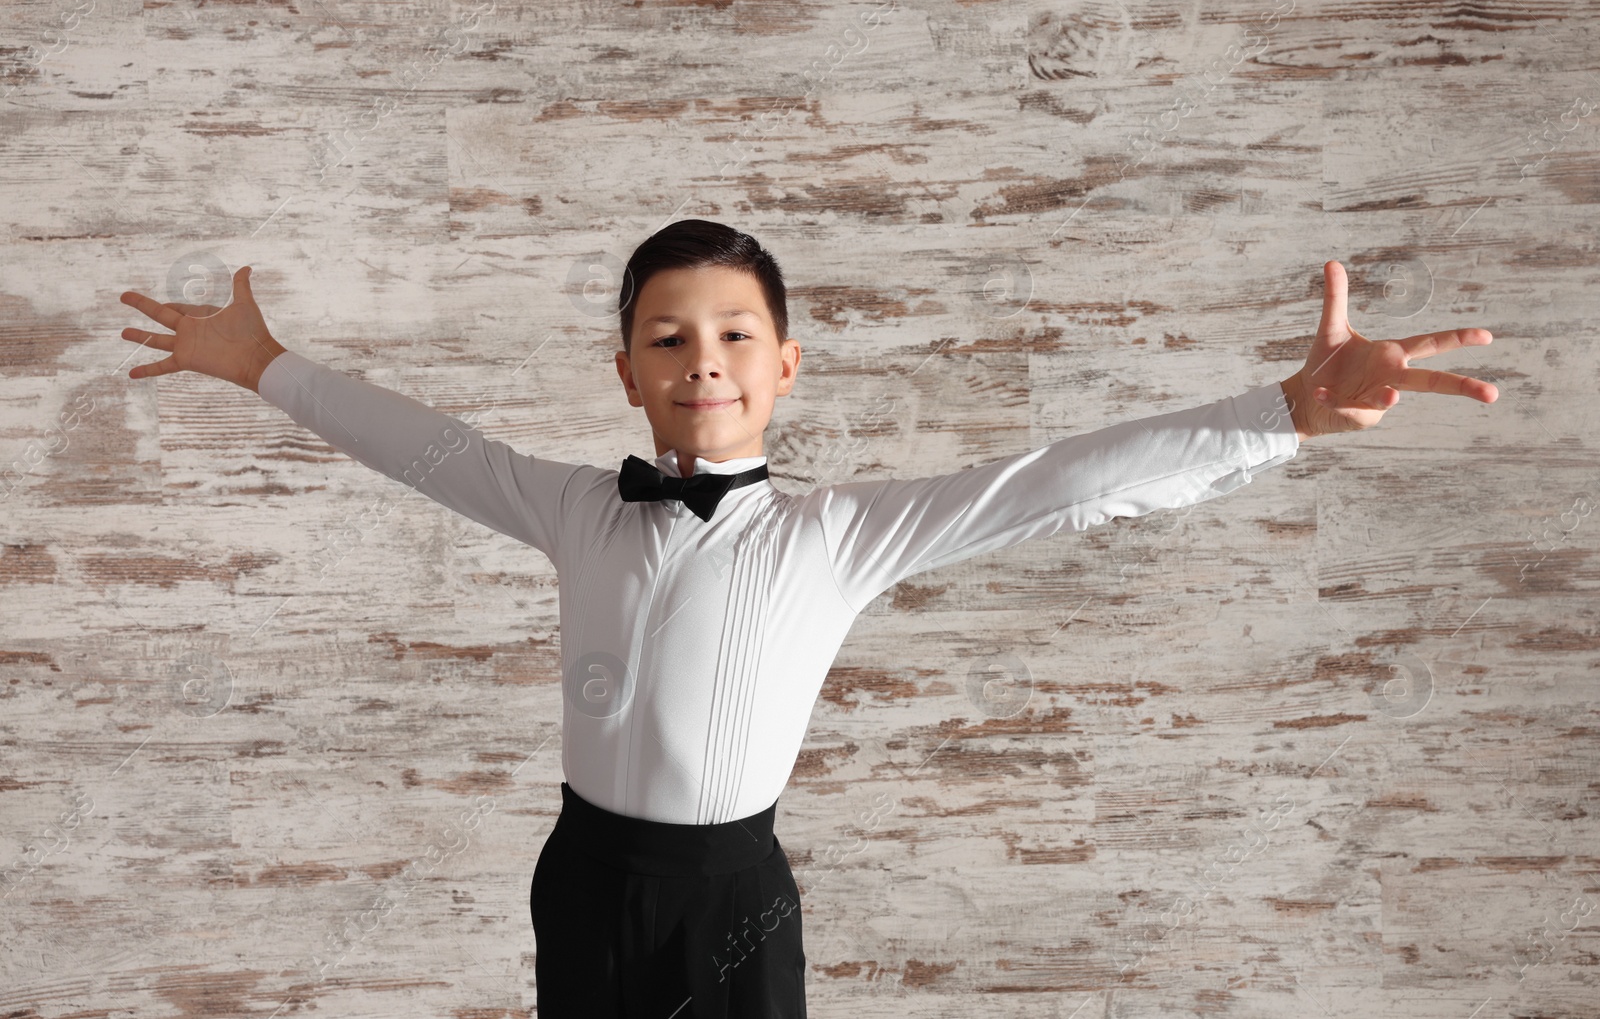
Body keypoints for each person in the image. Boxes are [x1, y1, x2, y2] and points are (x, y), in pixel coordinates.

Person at [117, 221, 1497, 1017]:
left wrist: (1283, 414)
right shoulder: (569, 507)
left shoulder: (839, 536)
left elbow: (1066, 482)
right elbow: (425, 447)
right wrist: (266, 365)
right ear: (626, 374)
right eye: (666, 337)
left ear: (784, 365)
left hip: (733, 894)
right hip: (586, 879)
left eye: (730, 334)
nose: (699, 357)